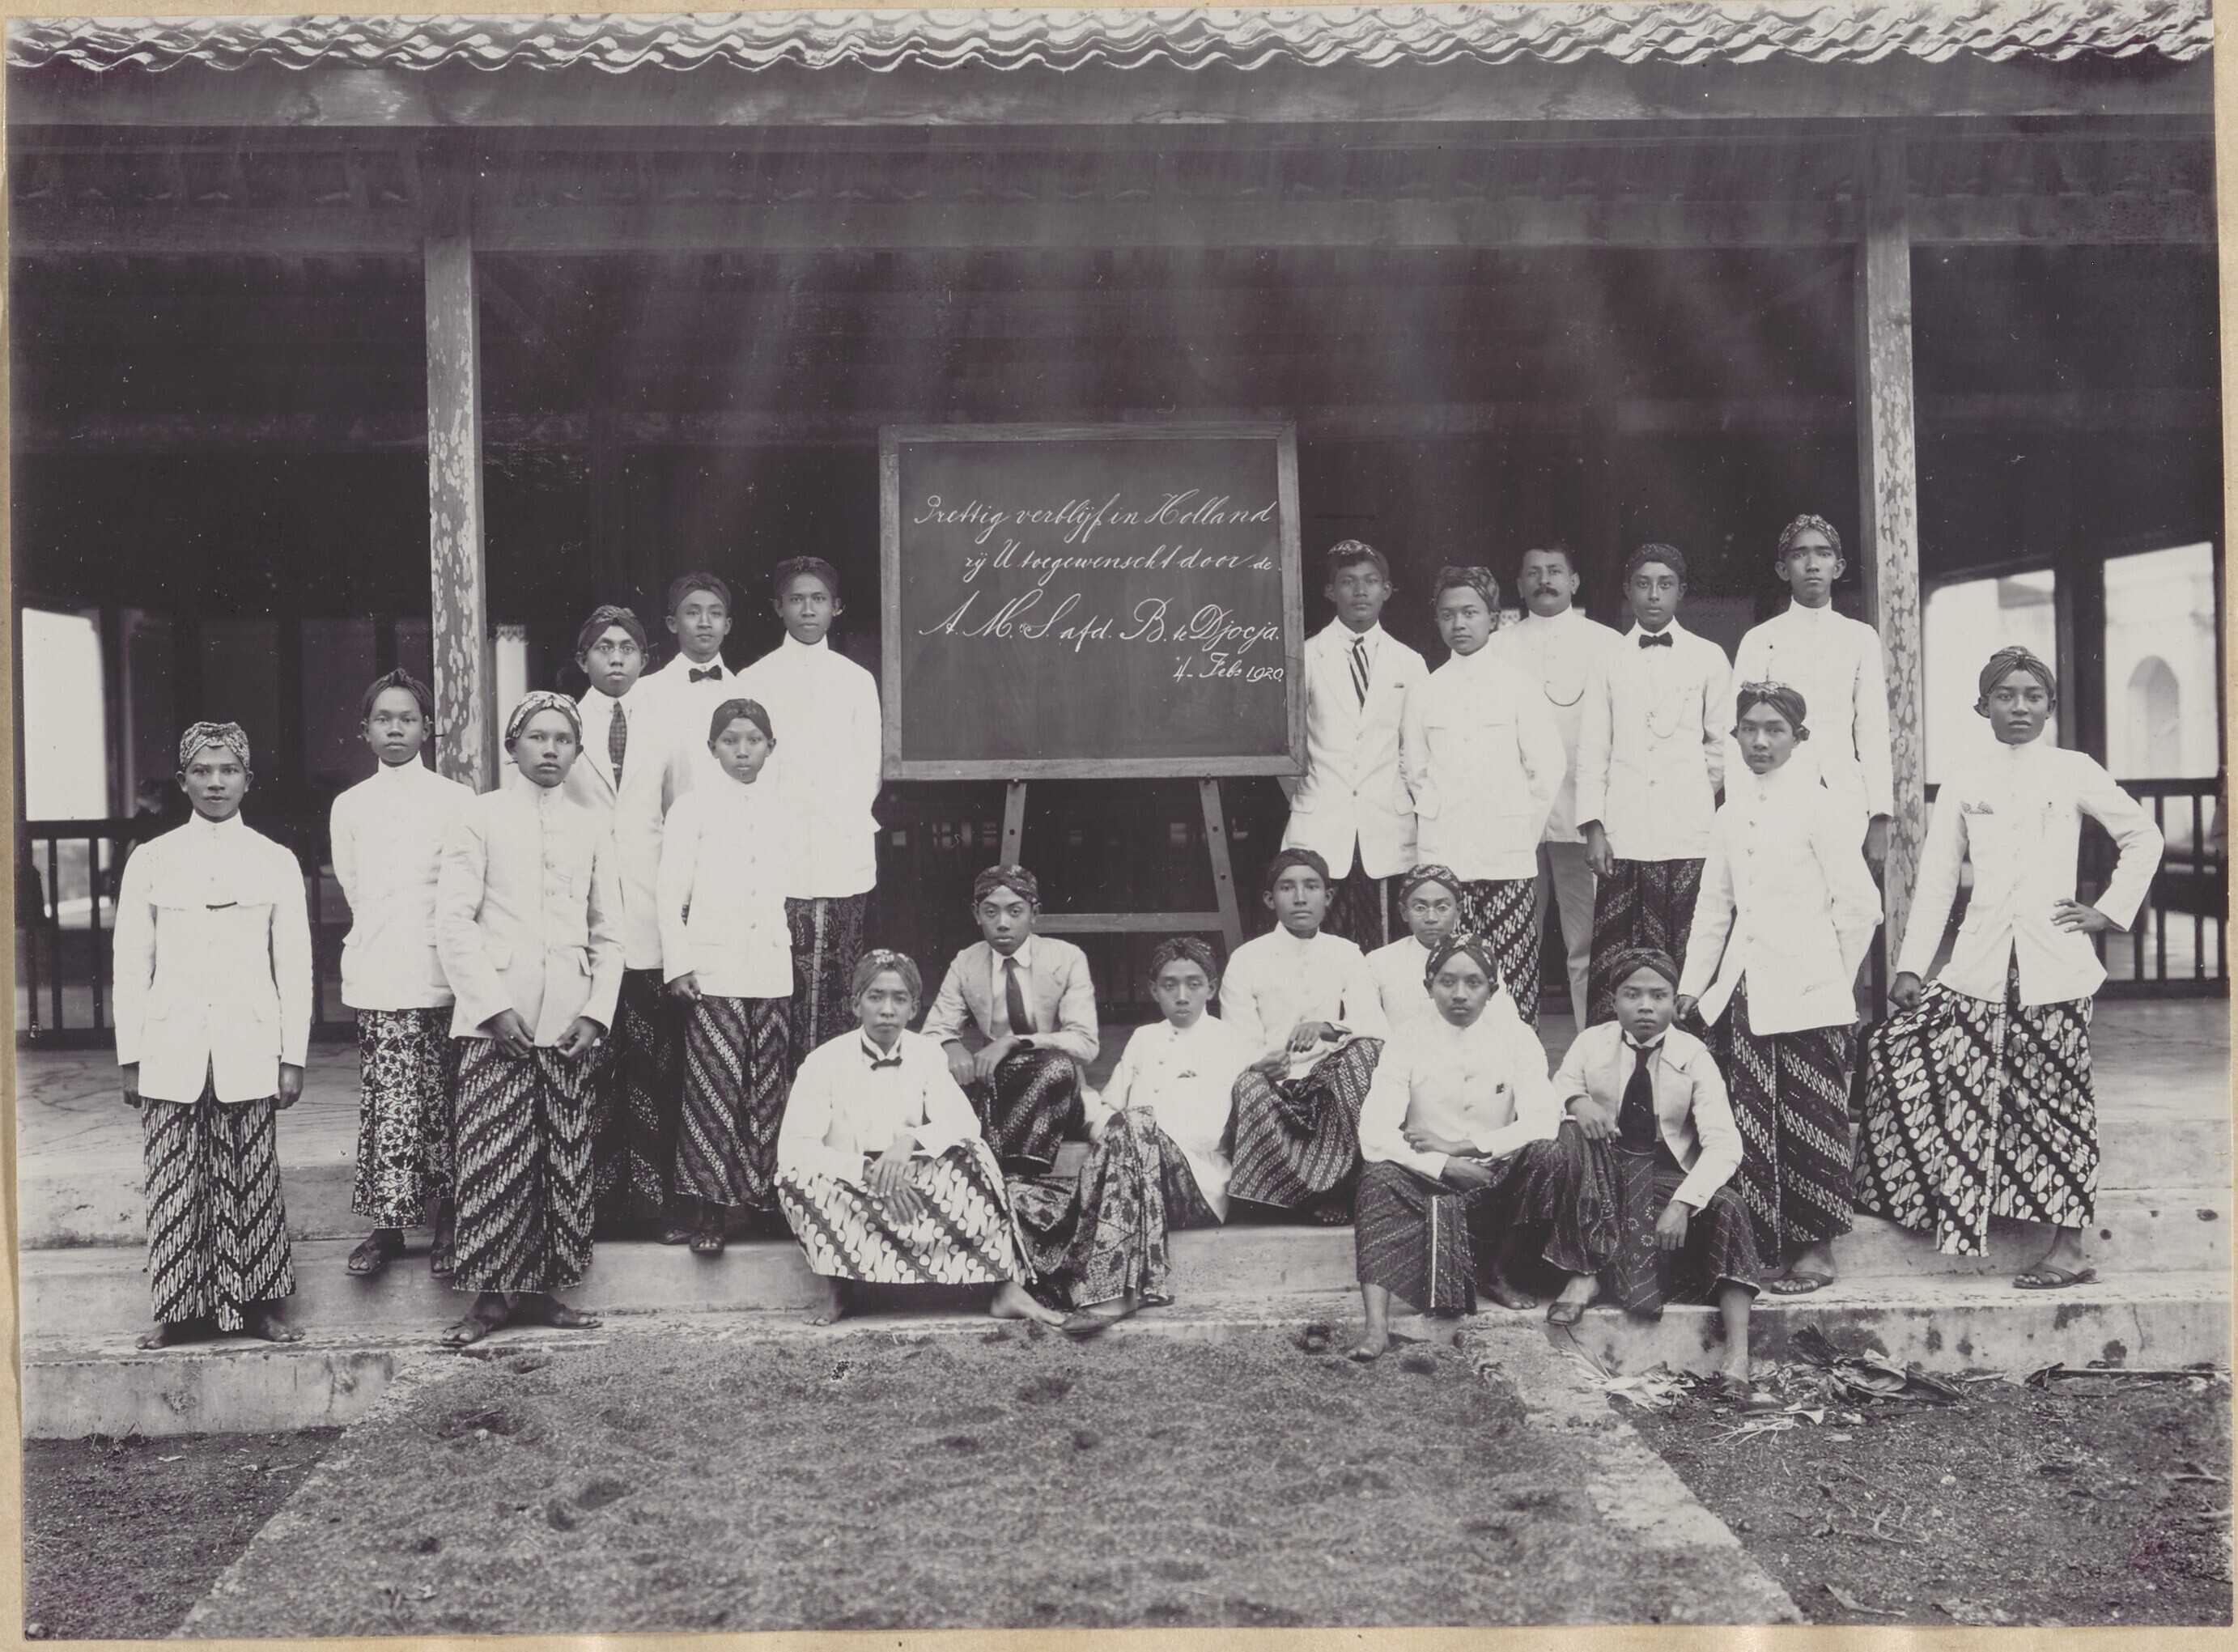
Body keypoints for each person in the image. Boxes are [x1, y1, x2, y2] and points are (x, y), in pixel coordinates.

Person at [1857, 647, 2163, 1286]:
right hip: (1980, 963)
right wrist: (1912, 966)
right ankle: (1947, 1210)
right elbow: (1937, 881)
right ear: (1982, 706)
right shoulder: (1965, 781)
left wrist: (2107, 911)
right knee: (1909, 1059)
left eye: (2031, 695)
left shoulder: (2073, 769)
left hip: (2055, 967)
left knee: (2058, 1102)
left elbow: (2143, 836)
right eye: (2004, 695)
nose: (2018, 707)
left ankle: (2068, 1247)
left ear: (2049, 706)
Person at [113, 722, 312, 1348]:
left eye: (229, 770)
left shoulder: (275, 860)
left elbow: (295, 966)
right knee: (175, 1181)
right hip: (171, 1045)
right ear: (183, 781)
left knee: (251, 1178)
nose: (216, 782)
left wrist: (293, 1056)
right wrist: (130, 1055)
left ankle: (260, 1308)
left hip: (248, 1043)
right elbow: (130, 962)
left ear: (248, 779)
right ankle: (178, 1313)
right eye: (202, 770)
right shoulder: (151, 859)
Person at [1677, 683, 1880, 1294]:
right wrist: (1692, 985)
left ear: (1799, 738)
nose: (1760, 741)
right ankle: (1763, 1245)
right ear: (1735, 735)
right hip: (1745, 991)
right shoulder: (1730, 813)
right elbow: (1714, 906)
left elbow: (1860, 907)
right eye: (1749, 729)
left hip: (1810, 993)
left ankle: (1816, 1251)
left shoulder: (1821, 807)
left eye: (1774, 730)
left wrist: (1828, 977)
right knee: (1753, 1121)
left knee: (1811, 1120)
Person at [435, 692, 623, 1347]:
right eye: (537, 737)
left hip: (568, 1018)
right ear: (512, 746)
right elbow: (453, 920)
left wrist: (596, 1012)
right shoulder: (480, 816)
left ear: (577, 752)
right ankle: (490, 1300)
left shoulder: (592, 826)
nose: (550, 749)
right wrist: (490, 1006)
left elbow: (609, 931)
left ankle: (545, 1290)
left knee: (560, 1155)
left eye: (563, 739)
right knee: (493, 1155)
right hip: (497, 1016)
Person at [775, 949, 1057, 1328]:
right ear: (856, 1005)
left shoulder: (926, 1054)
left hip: (912, 1179)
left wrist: (910, 1142)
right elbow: (796, 1147)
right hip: (850, 1185)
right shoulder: (824, 1061)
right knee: (793, 1179)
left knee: (975, 1153)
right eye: (875, 997)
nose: (887, 1010)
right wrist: (865, 1170)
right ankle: (840, 1287)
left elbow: (962, 1121)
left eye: (899, 999)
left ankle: (1003, 1286)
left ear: (914, 1009)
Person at [1543, 949, 1769, 1404]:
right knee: (1568, 1139)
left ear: (1673, 1001)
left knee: (1729, 1207)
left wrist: (1684, 1202)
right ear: (1614, 1000)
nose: (1645, 1006)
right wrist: (1577, 1103)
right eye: (1632, 994)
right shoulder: (1591, 1042)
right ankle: (1584, 1272)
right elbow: (1555, 1088)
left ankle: (1738, 1357)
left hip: (1665, 1174)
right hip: (1603, 1172)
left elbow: (1725, 1143)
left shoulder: (1694, 1055)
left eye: (1659, 995)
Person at [1011, 936, 1253, 1337]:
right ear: (1153, 990)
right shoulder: (1144, 1038)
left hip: (1195, 1184)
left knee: (1136, 1121)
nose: (1182, 996)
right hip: (1129, 1175)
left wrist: (1132, 1135)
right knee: (1019, 1191)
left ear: (1211, 988)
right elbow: (1108, 1106)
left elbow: (1208, 1133)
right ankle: (1029, 1288)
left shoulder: (1228, 1041)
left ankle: (1118, 1293)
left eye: (1194, 984)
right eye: (1170, 985)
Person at [1348, 933, 1574, 1361]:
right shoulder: (1406, 1039)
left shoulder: (1516, 1037)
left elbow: (1544, 1120)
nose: (1459, 994)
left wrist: (1467, 1148)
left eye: (1474, 983)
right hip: (1425, 1178)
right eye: (1447, 982)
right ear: (1428, 985)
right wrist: (1443, 1163)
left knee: (1548, 1154)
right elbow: (1374, 1132)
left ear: (1493, 989)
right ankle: (1376, 1326)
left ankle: (1498, 1272)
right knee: (1376, 1177)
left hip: (1494, 1175)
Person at [329, 668, 474, 1278]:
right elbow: (355, 886)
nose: (395, 729)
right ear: (365, 730)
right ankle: (388, 1228)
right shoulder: (350, 805)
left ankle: (450, 1221)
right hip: (381, 969)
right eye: (383, 719)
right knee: (390, 1101)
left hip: (441, 971)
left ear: (427, 728)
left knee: (445, 1100)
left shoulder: (456, 801)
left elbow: (462, 891)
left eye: (407, 718)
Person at [656, 698, 797, 1255]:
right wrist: (679, 963)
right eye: (730, 740)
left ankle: (761, 1205)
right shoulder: (691, 809)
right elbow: (670, 892)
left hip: (770, 967)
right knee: (713, 1088)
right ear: (712, 747)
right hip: (713, 971)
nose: (742, 751)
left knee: (766, 1090)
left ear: (770, 747)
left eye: (753, 740)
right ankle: (709, 1211)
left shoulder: (783, 811)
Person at [565, 604, 687, 1238]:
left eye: (628, 648)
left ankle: (654, 1205)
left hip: (646, 910)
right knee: (592, 1065)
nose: (616, 658)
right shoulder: (561, 721)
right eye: (603, 647)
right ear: (582, 658)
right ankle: (592, 1205)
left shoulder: (666, 722)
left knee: (653, 1063)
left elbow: (681, 815)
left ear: (644, 657)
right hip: (582, 911)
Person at [1402, 565, 1565, 1026]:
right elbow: (1416, 770)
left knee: (1511, 977)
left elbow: (1547, 768)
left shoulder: (1519, 687)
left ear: (1493, 618)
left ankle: (1518, 1062)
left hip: (1507, 857)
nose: (1459, 624)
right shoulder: (1425, 691)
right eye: (1448, 614)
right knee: (1449, 975)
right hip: (1445, 854)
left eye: (1470, 612)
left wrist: (1518, 830)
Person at [737, 556, 884, 1068]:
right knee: (781, 969)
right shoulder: (755, 678)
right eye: (796, 599)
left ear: (835, 607)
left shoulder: (856, 679)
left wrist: (838, 820)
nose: (807, 610)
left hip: (840, 844)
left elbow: (868, 768)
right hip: (779, 849)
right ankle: (779, 1090)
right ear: (778, 607)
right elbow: (749, 764)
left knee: (840, 970)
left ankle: (835, 1083)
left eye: (818, 599)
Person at [1575, 543, 1731, 1024]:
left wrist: (1688, 787)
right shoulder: (1606, 659)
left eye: (1665, 585)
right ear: (1628, 591)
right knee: (1620, 952)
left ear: (1681, 591)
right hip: (1623, 832)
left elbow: (1722, 744)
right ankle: (1617, 1053)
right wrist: (1595, 828)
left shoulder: (1708, 657)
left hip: (1688, 831)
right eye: (1643, 584)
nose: (1654, 595)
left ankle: (1690, 1054)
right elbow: (1593, 748)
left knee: (1688, 946)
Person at [1484, 541, 1624, 1027]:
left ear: (1574, 581)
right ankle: (1510, 1044)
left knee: (1585, 941)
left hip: (1579, 815)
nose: (1544, 580)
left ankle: (1594, 1046)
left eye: (1555, 571)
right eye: (1533, 572)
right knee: (1512, 940)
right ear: (1519, 584)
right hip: (1515, 818)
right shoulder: (1496, 646)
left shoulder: (1608, 644)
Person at [1221, 848, 1391, 1221]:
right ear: (1270, 899)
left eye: (1311, 887)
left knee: (1368, 1054)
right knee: (1248, 1085)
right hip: (1273, 1087)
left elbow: (1376, 1028)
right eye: (1287, 888)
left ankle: (1340, 1191)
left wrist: (1326, 1028)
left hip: (1329, 1087)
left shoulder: (1347, 953)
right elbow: (1235, 1040)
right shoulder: (1247, 959)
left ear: (1327, 897)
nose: (1300, 897)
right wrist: (1260, 1063)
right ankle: (1277, 1203)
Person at [1281, 539, 1429, 949]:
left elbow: (1415, 750)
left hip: (1387, 823)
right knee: (1320, 944)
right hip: (1322, 819)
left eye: (1371, 581)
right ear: (1330, 591)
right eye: (1348, 582)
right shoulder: (1304, 657)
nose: (1360, 591)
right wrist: (1311, 796)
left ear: (1387, 590)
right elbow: (1287, 750)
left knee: (1385, 944)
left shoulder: (1410, 662)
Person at [1727, 516, 1893, 864]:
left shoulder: (1860, 637)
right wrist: (1741, 810)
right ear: (1783, 569)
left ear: (1839, 567)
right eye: (1799, 554)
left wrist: (1879, 815)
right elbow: (1738, 731)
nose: (1812, 564)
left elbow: (1873, 729)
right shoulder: (1760, 640)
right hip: (1776, 796)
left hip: (1845, 798)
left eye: (1823, 553)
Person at [922, 863, 1100, 1175]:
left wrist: (1014, 1042)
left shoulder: (1067, 958)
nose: (1003, 923)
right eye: (991, 912)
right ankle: (995, 1170)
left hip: (1057, 1089)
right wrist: (950, 1045)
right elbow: (933, 1031)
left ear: (1035, 913)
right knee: (943, 1083)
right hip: (997, 1083)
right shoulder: (967, 962)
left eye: (1015, 912)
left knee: (1055, 1066)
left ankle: (1020, 1172)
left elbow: (1085, 1044)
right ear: (976, 914)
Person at [633, 572, 744, 790]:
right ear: (672, 623)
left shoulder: (746, 692)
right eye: (693, 613)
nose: (705, 623)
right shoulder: (645, 692)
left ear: (727, 625)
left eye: (715, 613)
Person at [1365, 863, 1476, 1038]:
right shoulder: (1379, 961)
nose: (1431, 918)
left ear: (1458, 911)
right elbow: (1368, 1024)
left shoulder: (1477, 958)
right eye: (1420, 908)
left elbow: (1503, 1018)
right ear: (1404, 912)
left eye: (1442, 908)